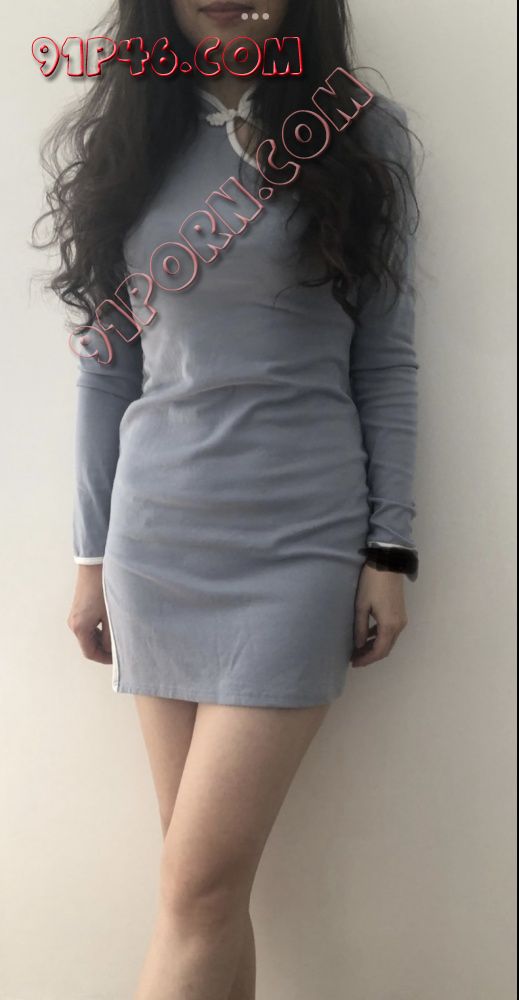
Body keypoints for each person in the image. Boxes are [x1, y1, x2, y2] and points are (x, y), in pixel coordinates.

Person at [34, 0, 421, 996]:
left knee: (195, 888)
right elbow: (106, 371)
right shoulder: (132, 133)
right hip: (156, 543)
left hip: (298, 543)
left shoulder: (358, 132)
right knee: (205, 893)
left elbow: (385, 362)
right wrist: (89, 558)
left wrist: (390, 549)